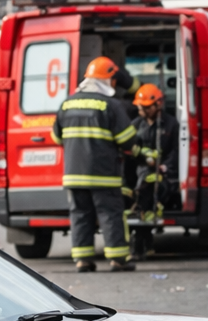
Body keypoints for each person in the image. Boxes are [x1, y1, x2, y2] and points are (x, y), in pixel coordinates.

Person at [52, 57, 138, 272]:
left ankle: (83, 260)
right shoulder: (110, 105)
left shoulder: (67, 103)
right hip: (103, 174)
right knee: (110, 214)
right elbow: (127, 140)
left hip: (73, 174)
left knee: (80, 215)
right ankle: (118, 260)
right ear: (108, 79)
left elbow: (56, 137)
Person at [128, 83, 179, 257]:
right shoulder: (135, 125)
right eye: (140, 107)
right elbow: (129, 149)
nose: (142, 110)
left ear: (159, 105)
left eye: (146, 107)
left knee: (147, 193)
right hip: (140, 173)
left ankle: (141, 242)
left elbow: (176, 151)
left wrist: (164, 167)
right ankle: (144, 241)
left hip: (164, 175)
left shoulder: (171, 124)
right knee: (142, 194)